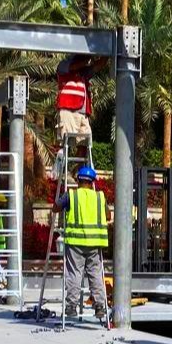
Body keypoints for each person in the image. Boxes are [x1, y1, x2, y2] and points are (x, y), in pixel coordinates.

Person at [55, 164, 110, 321]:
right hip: (95, 243)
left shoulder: (71, 195)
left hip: (75, 243)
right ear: (93, 182)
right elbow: (108, 215)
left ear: (78, 180)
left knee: (74, 273)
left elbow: (55, 208)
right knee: (95, 274)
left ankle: (71, 307)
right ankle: (100, 306)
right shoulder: (100, 196)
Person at [56, 56, 109, 139]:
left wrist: (107, 53)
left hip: (83, 112)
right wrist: (88, 60)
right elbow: (73, 67)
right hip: (68, 110)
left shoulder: (84, 72)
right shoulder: (63, 65)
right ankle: (64, 151)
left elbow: (99, 65)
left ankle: (81, 151)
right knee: (67, 141)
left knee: (84, 143)